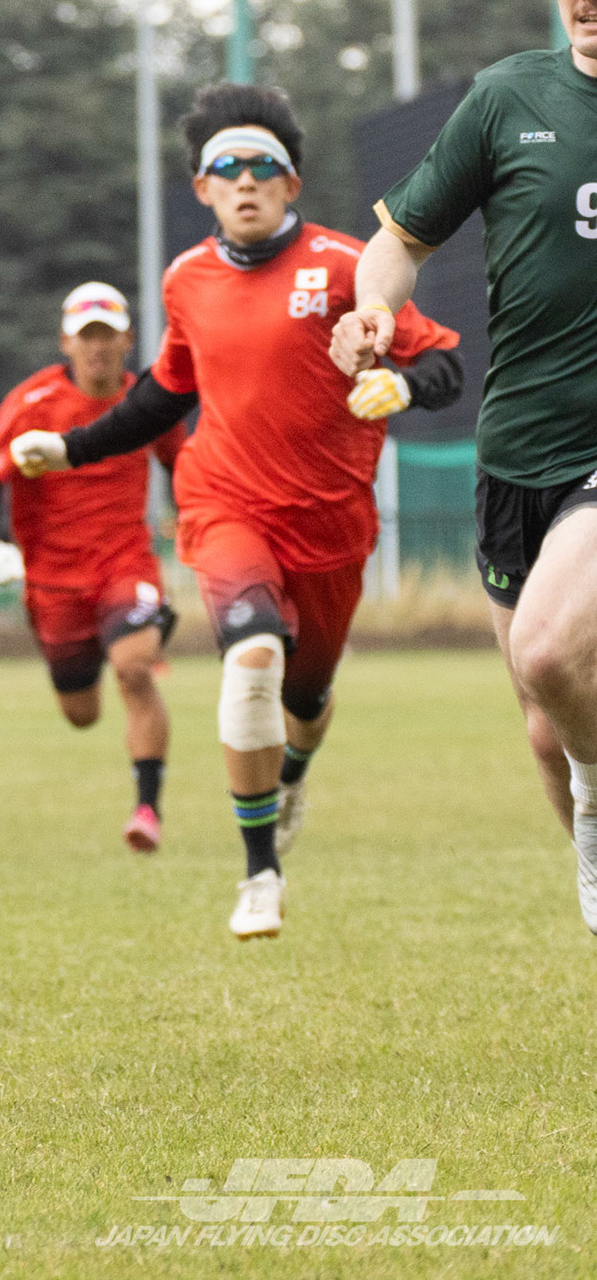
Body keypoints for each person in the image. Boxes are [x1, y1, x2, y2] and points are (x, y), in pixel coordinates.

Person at [10, 85, 463, 938]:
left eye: (264, 165)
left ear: (292, 184)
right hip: (223, 505)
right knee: (251, 653)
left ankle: (292, 773)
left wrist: (400, 386)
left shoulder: (347, 267)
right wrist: (71, 448)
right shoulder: (186, 279)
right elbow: (163, 395)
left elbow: (444, 362)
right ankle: (260, 875)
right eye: (227, 166)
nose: (245, 179)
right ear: (203, 188)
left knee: (307, 699)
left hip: (332, 528)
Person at [331, 2, 597, 930]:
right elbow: (400, 242)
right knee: (544, 726)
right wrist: (374, 309)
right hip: (516, 449)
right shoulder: (506, 97)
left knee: (548, 650)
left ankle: (596, 820)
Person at [0, 283, 184, 853]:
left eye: (107, 335)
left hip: (124, 561)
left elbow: (181, 462)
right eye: (86, 336)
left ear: (127, 340)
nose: (97, 347)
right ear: (66, 342)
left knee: (135, 669)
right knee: (81, 713)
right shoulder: (33, 402)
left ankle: (147, 810)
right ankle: (132, 631)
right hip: (53, 579)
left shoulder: (146, 401)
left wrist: (192, 515)